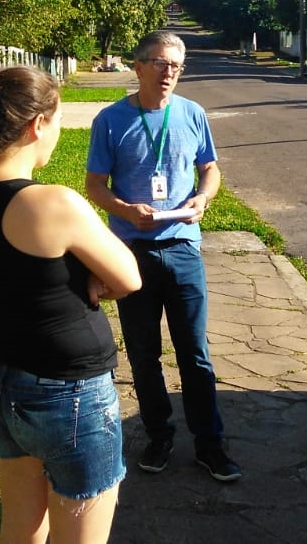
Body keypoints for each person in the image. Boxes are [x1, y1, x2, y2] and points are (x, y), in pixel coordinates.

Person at [0, 64, 142, 544]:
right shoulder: (53, 201)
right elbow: (129, 277)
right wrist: (96, 282)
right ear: (38, 125)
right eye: (56, 123)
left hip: (0, 384)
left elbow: (16, 273)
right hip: (67, 396)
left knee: (18, 531)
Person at [85, 30, 241, 482]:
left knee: (195, 352)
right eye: (159, 63)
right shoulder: (111, 120)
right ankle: (158, 436)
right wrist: (125, 210)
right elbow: (95, 185)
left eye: (175, 65)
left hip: (184, 248)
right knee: (144, 353)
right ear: (137, 67)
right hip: (131, 253)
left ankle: (210, 443)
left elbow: (209, 168)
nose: (168, 72)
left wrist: (204, 199)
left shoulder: (192, 113)